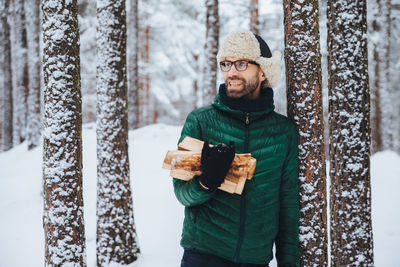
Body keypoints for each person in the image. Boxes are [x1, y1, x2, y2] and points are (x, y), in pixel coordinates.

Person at [173, 29, 299, 267]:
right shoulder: (200, 122)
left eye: (241, 64)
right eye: (226, 64)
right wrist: (206, 182)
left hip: (256, 259)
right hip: (203, 255)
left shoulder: (283, 132)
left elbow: (288, 204)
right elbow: (182, 193)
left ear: (263, 72)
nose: (231, 72)